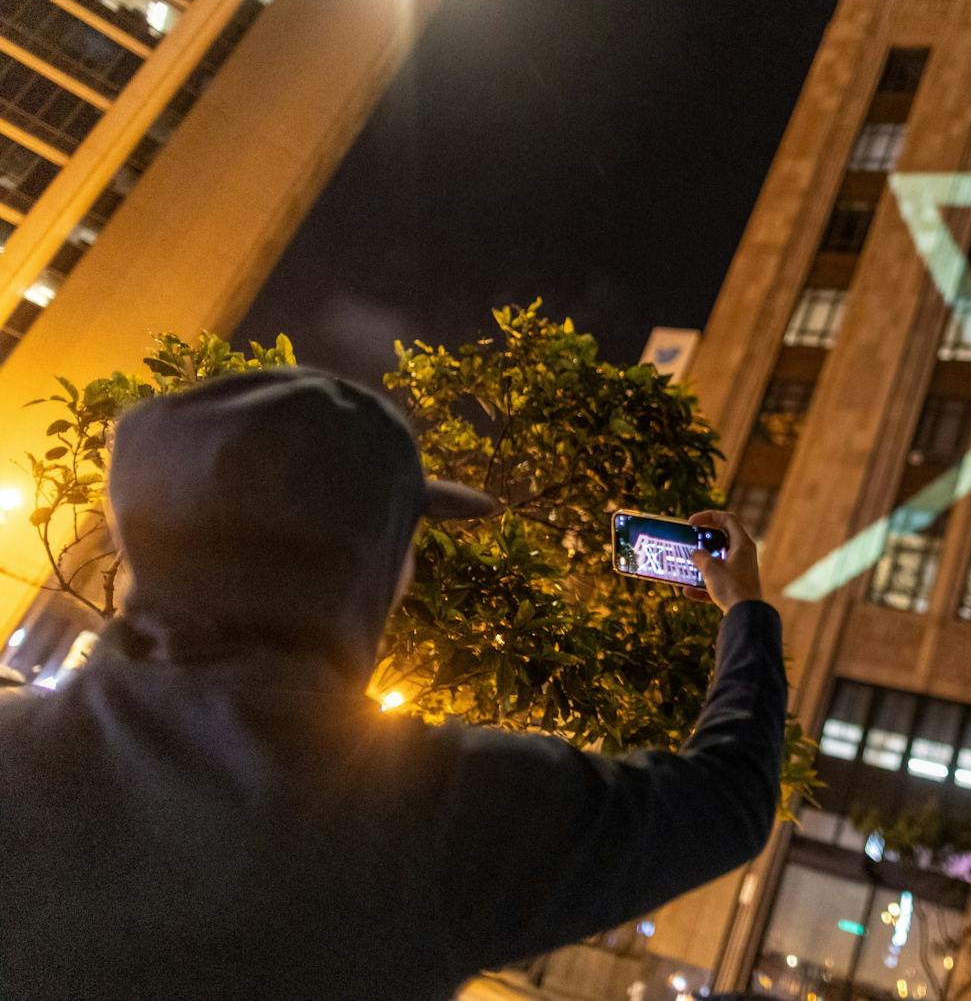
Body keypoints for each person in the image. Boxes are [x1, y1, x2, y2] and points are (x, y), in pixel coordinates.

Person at [0, 368, 786, 1000]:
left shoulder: (15, 753)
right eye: (405, 538)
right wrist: (742, 605)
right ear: (369, 566)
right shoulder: (435, 811)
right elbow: (729, 799)